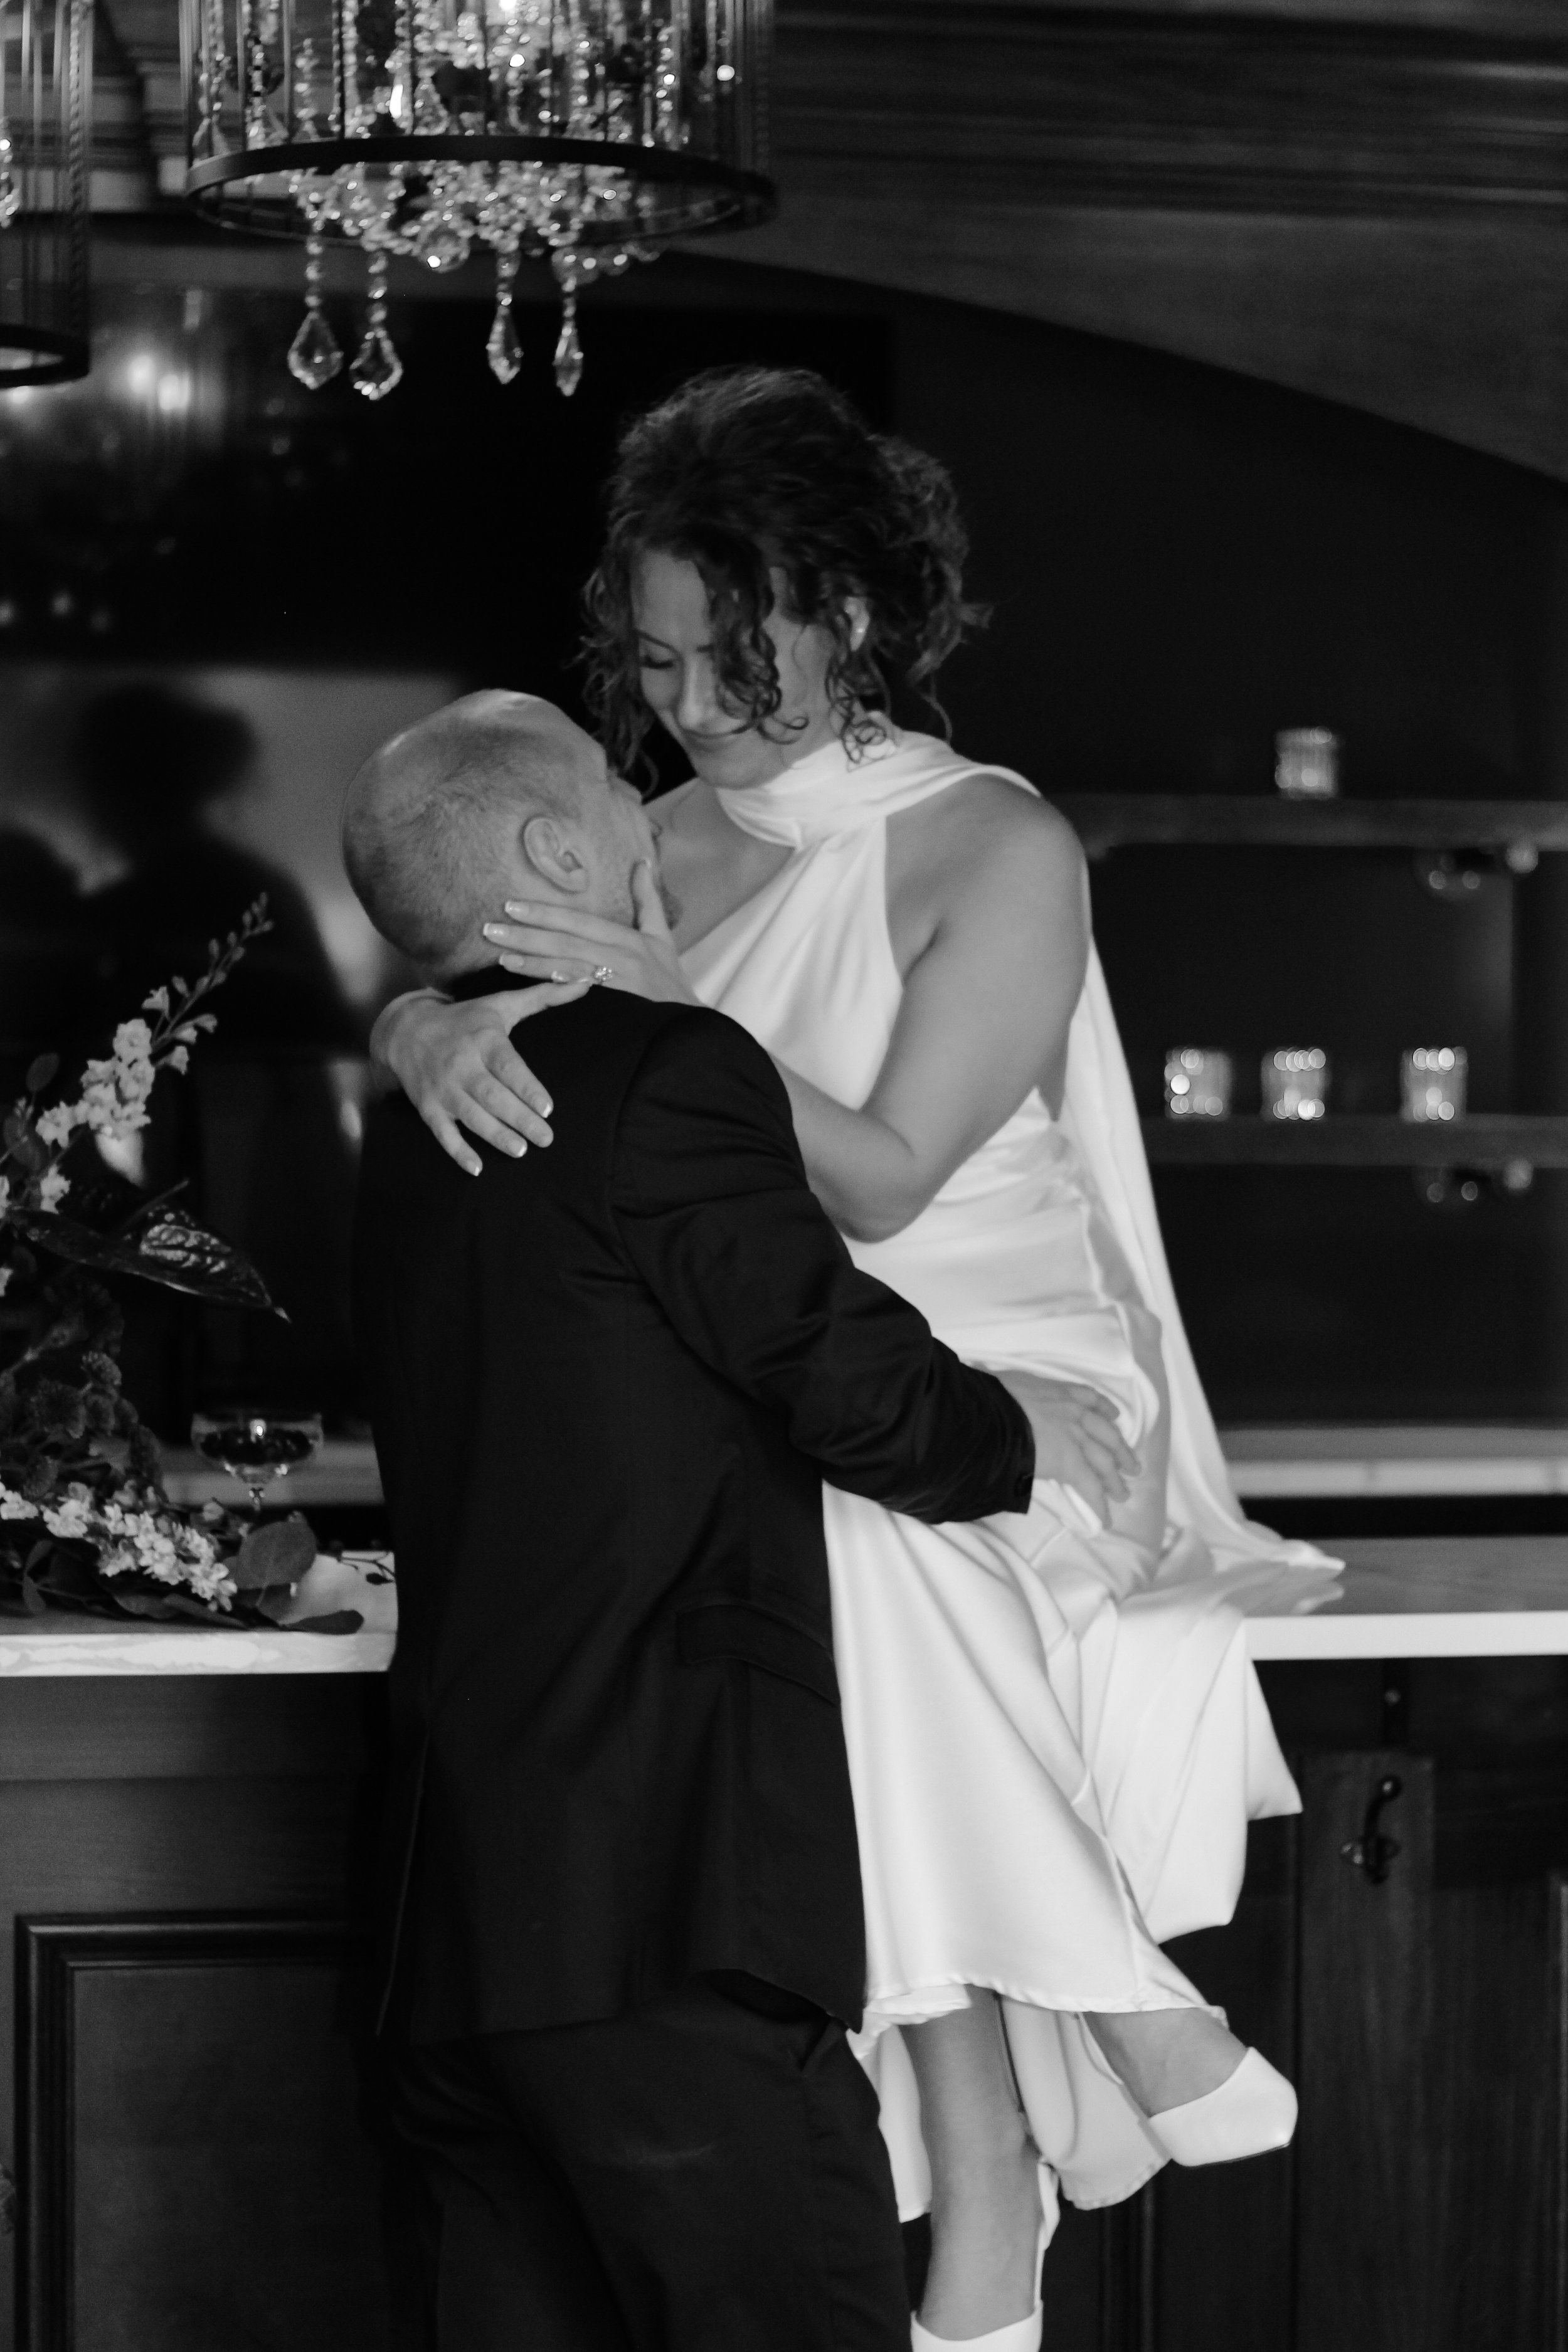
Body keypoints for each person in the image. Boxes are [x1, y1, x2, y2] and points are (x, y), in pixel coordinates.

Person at [370, 371, 1329, 2351]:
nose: (702, 714)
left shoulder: (994, 846)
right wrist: (413, 1030)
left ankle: (1045, 2102)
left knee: (844, 1532)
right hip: (788, 1376)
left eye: (745, 665)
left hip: (1003, 1357)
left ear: (859, 620)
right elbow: (458, 936)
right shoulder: (630, 837)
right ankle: (1069, 2061)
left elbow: (885, 1182)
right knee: (794, 1540)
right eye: (658, 668)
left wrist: (674, 1019)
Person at [345, 689, 1135, 2351]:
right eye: (614, 798)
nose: (650, 813)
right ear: (561, 848)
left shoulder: (411, 1116)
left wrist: (408, 1015)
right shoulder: (663, 1064)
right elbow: (835, 1376)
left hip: (455, 1927)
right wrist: (1027, 1435)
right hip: (657, 1917)